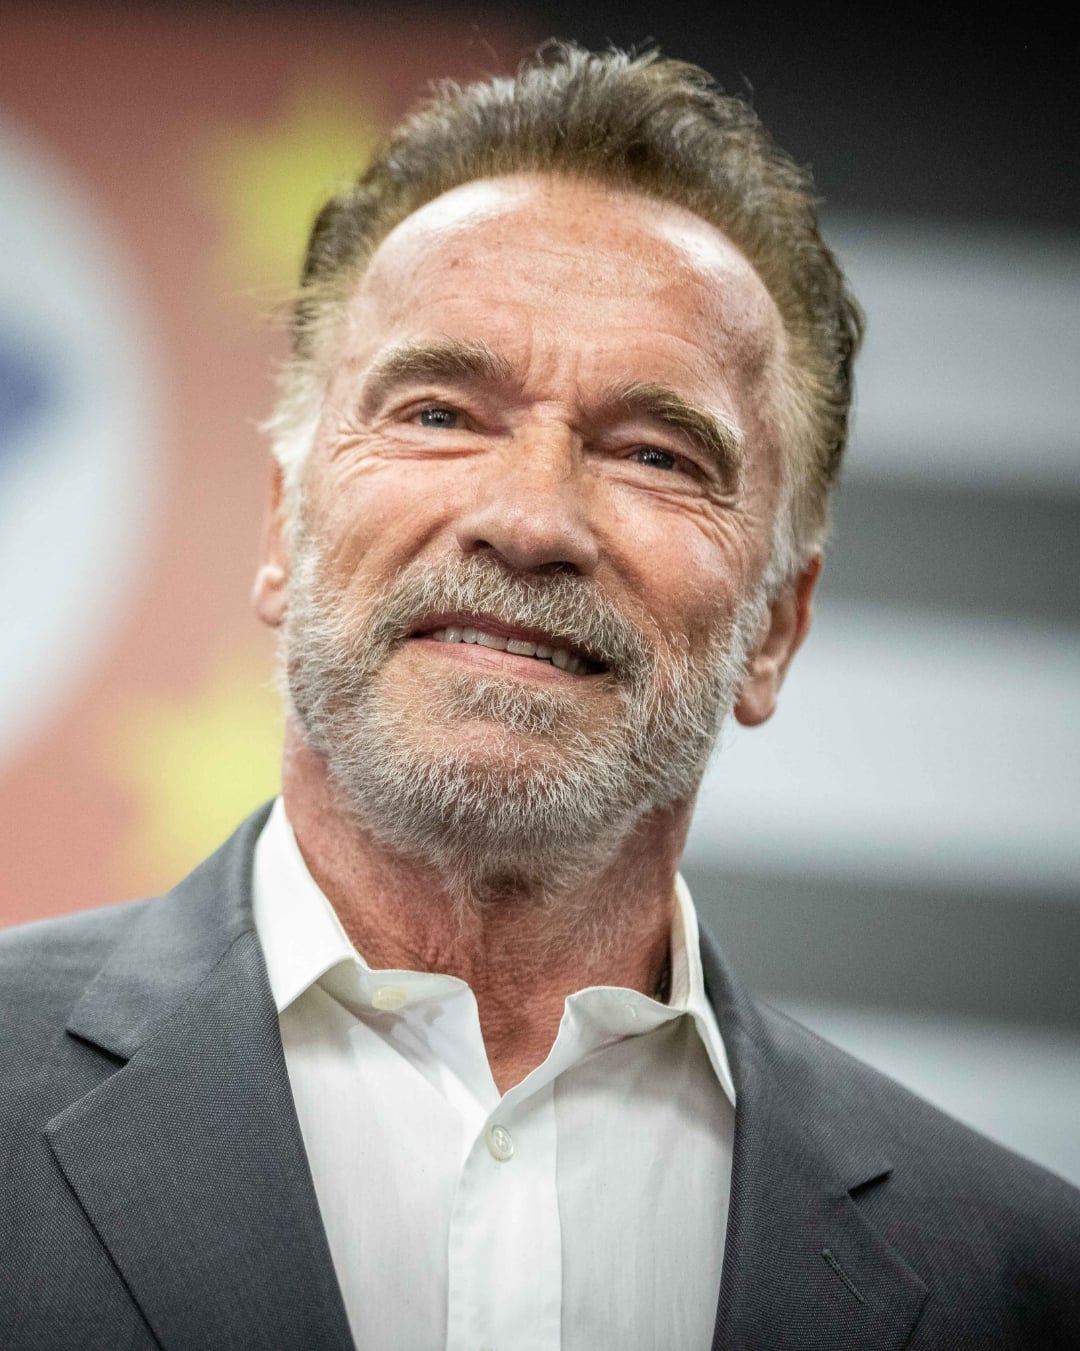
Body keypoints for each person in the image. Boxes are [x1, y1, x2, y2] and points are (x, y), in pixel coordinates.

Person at [1, 44, 1078, 1351]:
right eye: (443, 411)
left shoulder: (1022, 1283)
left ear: (776, 629)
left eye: (654, 451)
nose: (527, 521)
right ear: (284, 530)